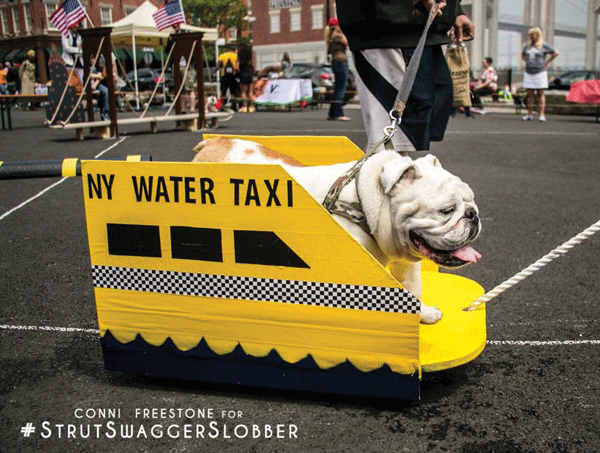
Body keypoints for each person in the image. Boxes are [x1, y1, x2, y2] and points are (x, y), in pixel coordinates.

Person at [337, 0, 474, 153]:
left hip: (428, 28)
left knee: (401, 139)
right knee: (389, 145)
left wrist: (456, 11)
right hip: (386, 23)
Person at [521, 27, 559, 122]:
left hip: (540, 72)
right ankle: (529, 114)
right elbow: (523, 54)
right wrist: (527, 61)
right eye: (530, 35)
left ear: (537, 35)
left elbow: (555, 52)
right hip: (529, 72)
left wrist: (546, 62)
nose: (530, 37)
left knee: (540, 93)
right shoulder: (528, 46)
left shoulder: (543, 45)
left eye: (532, 35)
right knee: (530, 94)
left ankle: (541, 114)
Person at [325, 18, 350, 121]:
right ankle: (339, 114)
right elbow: (347, 42)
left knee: (337, 88)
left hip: (335, 63)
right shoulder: (338, 36)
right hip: (341, 62)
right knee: (341, 89)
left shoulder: (330, 37)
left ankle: (333, 113)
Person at [61, 24, 84, 90]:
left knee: (80, 85)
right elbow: (66, 48)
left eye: (77, 26)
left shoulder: (80, 35)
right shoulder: (65, 34)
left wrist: (80, 51)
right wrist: (79, 50)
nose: (76, 28)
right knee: (71, 85)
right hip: (69, 63)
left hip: (79, 63)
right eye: (74, 26)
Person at [218, 44, 239, 112]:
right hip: (233, 76)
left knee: (222, 92)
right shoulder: (236, 56)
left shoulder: (222, 55)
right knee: (233, 92)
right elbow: (238, 66)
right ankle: (233, 106)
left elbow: (218, 66)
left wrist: (214, 73)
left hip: (224, 76)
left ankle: (220, 106)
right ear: (234, 50)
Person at [90, 55, 110, 120]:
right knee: (105, 92)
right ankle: (104, 112)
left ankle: (105, 113)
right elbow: (89, 75)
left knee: (106, 92)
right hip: (89, 85)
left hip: (96, 85)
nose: (94, 60)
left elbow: (102, 76)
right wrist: (97, 76)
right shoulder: (87, 66)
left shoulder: (98, 67)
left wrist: (96, 81)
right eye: (92, 58)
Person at [238, 43, 255, 113]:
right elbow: (252, 64)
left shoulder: (240, 55)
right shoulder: (250, 55)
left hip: (243, 73)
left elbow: (238, 64)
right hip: (249, 73)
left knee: (243, 91)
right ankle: (251, 106)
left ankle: (244, 106)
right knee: (250, 91)